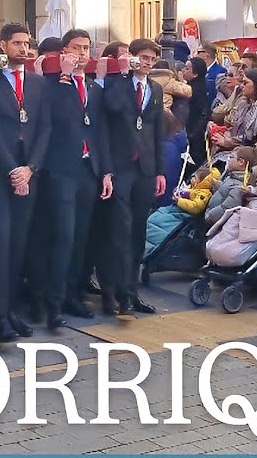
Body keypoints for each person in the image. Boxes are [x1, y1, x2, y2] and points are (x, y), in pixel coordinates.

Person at [0, 22, 50, 343]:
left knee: (19, 244)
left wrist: (30, 168)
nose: (23, 48)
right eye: (17, 43)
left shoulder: (37, 84)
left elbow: (44, 130)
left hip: (27, 175)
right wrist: (13, 171)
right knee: (0, 244)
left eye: (27, 42)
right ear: (3, 46)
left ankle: (11, 310)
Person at [37, 29, 113, 330]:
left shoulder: (94, 88)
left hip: (88, 170)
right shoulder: (53, 85)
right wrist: (65, 78)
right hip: (61, 170)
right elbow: (53, 116)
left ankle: (72, 294)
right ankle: (52, 303)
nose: (81, 54)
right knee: (63, 236)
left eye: (86, 48)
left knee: (80, 236)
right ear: (63, 52)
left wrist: (105, 171)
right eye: (75, 48)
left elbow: (100, 132)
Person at [101, 38, 167, 318]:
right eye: (143, 57)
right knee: (119, 230)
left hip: (145, 168)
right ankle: (112, 292)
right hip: (120, 165)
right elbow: (113, 109)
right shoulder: (118, 84)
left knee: (138, 230)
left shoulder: (155, 88)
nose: (147, 63)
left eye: (152, 59)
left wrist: (160, 170)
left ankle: (132, 291)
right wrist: (125, 74)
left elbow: (157, 130)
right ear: (132, 57)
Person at [183, 57, 211, 165]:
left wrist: (192, 134)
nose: (183, 71)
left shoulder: (194, 90)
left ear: (195, 74)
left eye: (187, 68)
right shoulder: (193, 86)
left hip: (194, 133)